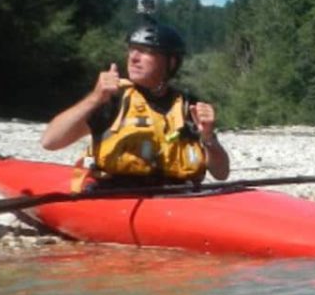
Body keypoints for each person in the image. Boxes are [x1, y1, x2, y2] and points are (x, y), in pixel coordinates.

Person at [41, 18, 230, 183]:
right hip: (118, 194)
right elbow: (50, 141)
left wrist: (208, 137)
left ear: (171, 62)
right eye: (132, 50)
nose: (133, 58)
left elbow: (221, 174)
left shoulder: (189, 107)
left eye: (145, 51)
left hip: (179, 196)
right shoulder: (114, 100)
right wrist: (95, 98)